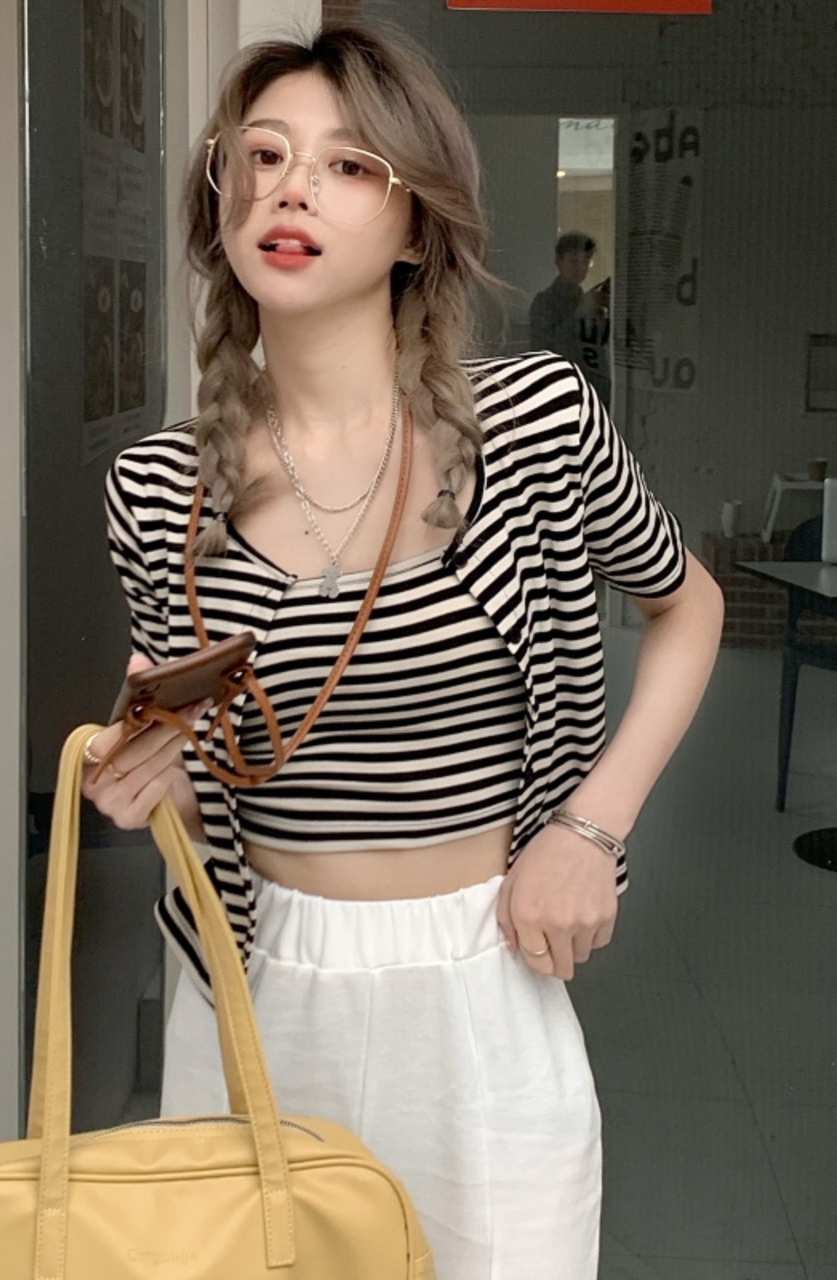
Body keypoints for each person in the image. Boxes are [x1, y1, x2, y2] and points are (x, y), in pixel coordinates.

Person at [81, 22, 723, 1280]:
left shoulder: (533, 423)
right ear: (219, 202)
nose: (290, 188)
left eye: (345, 165)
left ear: (416, 222)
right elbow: (195, 754)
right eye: (261, 156)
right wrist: (139, 770)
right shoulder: (155, 485)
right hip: (251, 982)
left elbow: (687, 604)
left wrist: (588, 829)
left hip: (479, 982)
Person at [529, 230, 613, 405]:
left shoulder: (586, 299)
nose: (580, 268)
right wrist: (580, 313)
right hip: (562, 392)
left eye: (586, 261)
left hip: (595, 392)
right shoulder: (544, 302)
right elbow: (543, 349)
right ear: (559, 261)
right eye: (574, 261)